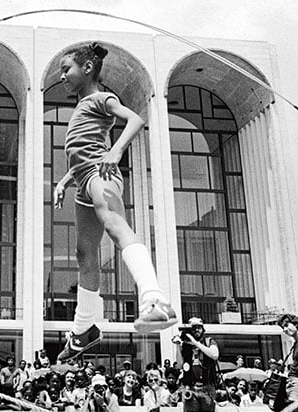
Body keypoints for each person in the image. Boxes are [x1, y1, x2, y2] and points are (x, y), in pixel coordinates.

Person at [52, 42, 177, 363]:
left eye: (66, 69)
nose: (61, 76)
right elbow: (82, 150)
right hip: (83, 180)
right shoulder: (82, 106)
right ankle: (84, 330)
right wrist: (65, 181)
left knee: (113, 222)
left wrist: (116, 151)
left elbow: (134, 119)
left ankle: (155, 300)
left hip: (101, 173)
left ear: (88, 68)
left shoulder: (100, 98)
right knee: (84, 253)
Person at [172, 317, 220, 397]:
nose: (197, 330)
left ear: (203, 329)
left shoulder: (208, 341)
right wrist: (178, 345)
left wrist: (195, 343)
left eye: (199, 328)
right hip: (190, 387)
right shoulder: (185, 345)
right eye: (194, 328)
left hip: (207, 387)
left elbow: (214, 355)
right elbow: (180, 365)